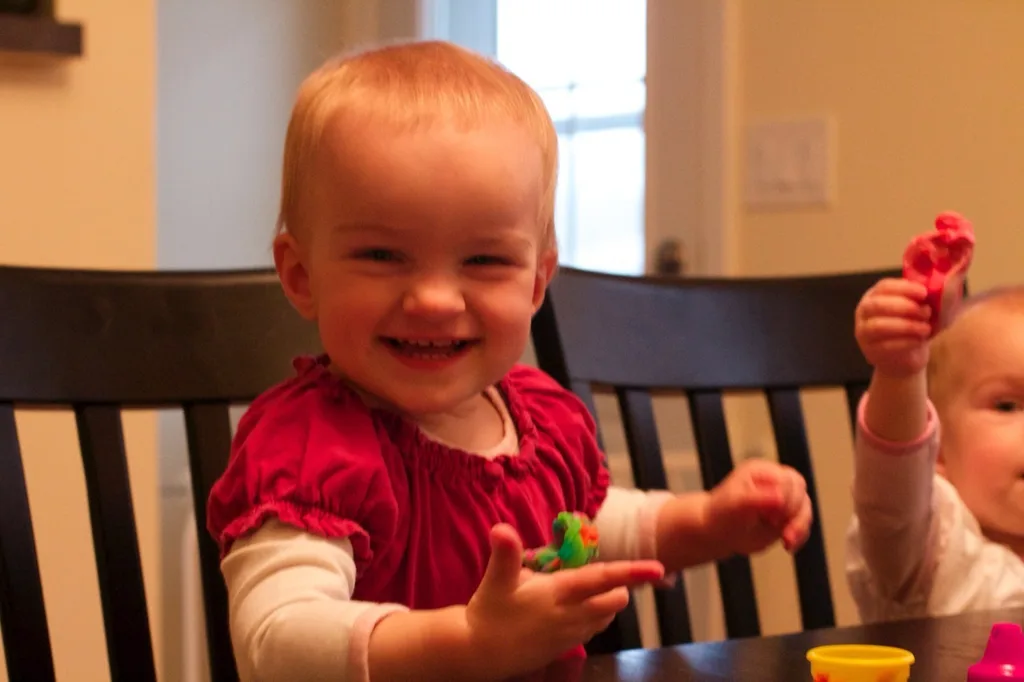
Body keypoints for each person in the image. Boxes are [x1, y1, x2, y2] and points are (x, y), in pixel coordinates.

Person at [206, 40, 813, 682]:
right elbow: (276, 641)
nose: (435, 300)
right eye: (382, 255)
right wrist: (467, 644)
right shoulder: (310, 449)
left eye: (484, 260)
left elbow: (595, 524)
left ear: (535, 282)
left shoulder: (541, 422)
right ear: (301, 276)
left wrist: (709, 521)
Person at [848, 276, 1024, 622]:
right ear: (937, 444)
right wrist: (899, 374)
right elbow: (892, 496)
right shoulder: (933, 544)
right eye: (1006, 405)